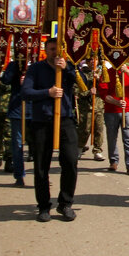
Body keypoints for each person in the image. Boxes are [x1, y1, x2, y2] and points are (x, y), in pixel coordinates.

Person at [22, 38, 80, 222]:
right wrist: (47, 92)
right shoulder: (36, 69)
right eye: (52, 49)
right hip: (42, 121)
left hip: (65, 120)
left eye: (58, 49)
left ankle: (65, 203)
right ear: (46, 50)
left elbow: (83, 82)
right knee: (41, 166)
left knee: (70, 161)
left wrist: (68, 69)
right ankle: (44, 206)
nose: (55, 52)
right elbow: (26, 92)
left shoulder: (67, 68)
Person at [98, 60, 129, 174]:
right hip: (111, 111)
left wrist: (128, 72)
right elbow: (103, 94)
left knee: (128, 138)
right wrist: (116, 102)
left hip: (128, 110)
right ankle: (114, 161)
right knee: (112, 137)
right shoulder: (107, 73)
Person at [0, 56, 28, 188]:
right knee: (17, 144)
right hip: (18, 109)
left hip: (37, 109)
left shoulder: (40, 62)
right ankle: (19, 175)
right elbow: (5, 80)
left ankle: (42, 175)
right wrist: (16, 68)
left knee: (40, 145)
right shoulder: (14, 65)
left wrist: (29, 80)